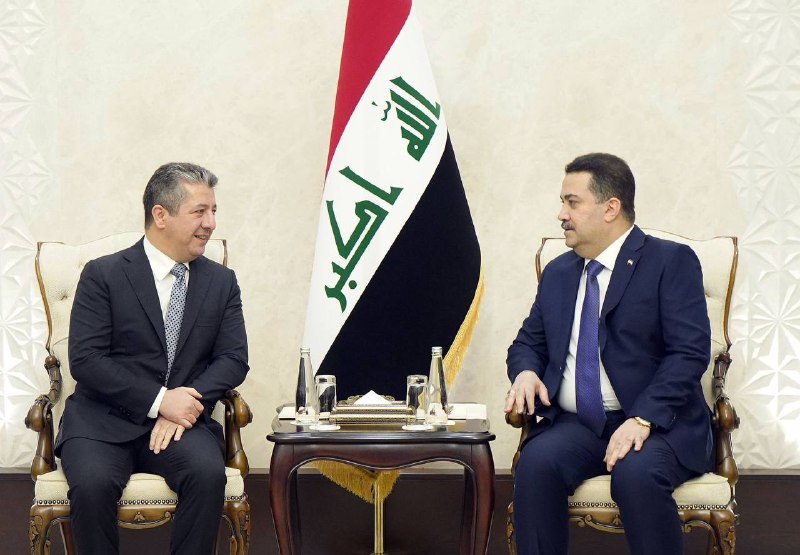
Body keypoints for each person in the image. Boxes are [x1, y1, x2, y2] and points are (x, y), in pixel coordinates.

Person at [505, 153, 712, 555]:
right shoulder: (559, 272)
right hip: (580, 424)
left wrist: (643, 418)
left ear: (610, 208)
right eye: (563, 203)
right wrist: (526, 372)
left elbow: (689, 352)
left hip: (657, 424)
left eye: (572, 202)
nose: (561, 214)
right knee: (537, 463)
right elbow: (528, 342)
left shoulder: (670, 262)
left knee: (636, 475)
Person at [55, 162, 249, 554]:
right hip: (100, 422)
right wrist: (161, 401)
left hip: (181, 427)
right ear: (160, 215)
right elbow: (86, 359)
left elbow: (233, 358)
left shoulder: (220, 281)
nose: (211, 223)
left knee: (207, 474)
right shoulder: (103, 274)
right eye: (199, 211)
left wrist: (183, 404)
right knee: (92, 485)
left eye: (213, 211)